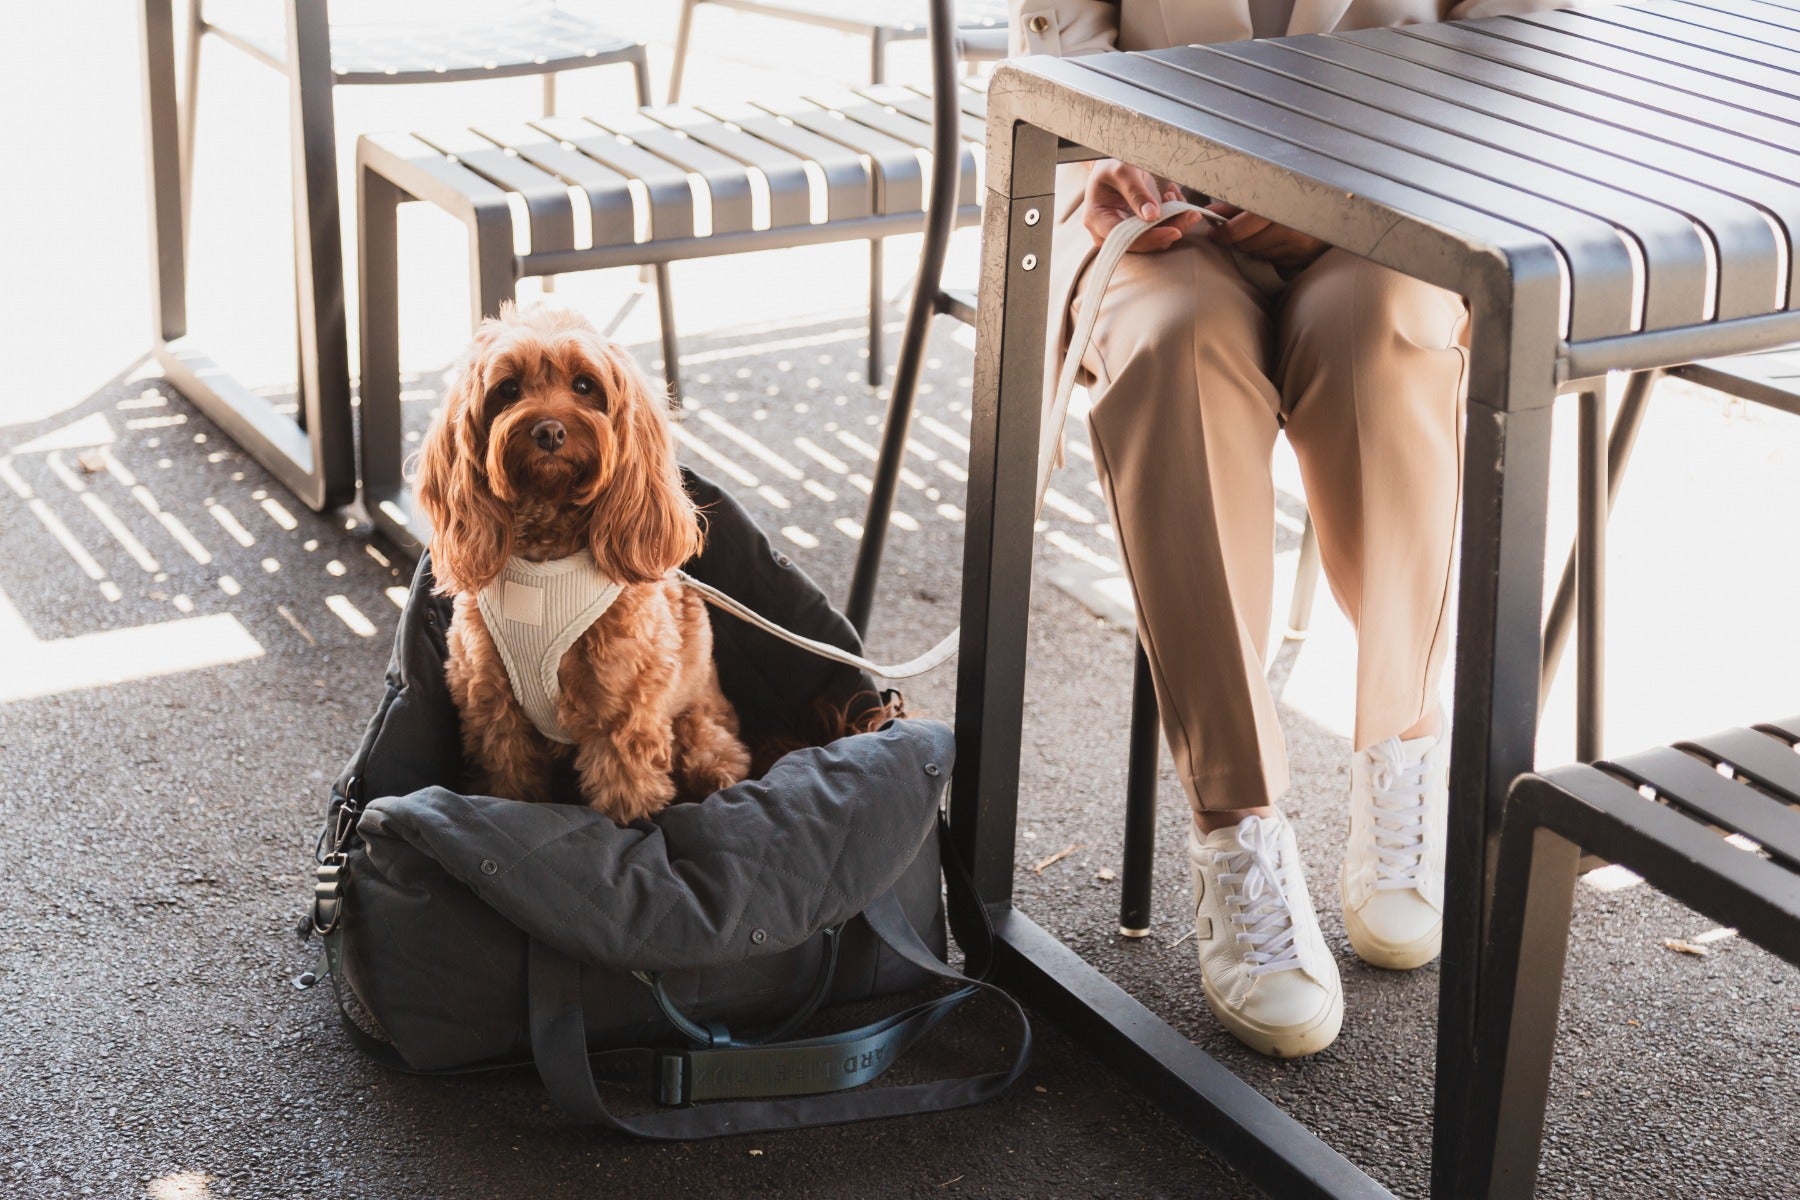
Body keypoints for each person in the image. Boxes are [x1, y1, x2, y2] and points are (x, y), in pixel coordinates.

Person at [1009, 0, 1570, 1058]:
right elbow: (1061, 32)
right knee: (1177, 350)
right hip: (1154, 213)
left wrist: (1357, 175)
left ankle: (1402, 735)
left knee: (1381, 332)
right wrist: (1110, 145)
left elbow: (1518, 39)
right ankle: (1237, 825)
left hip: (1399, 202)